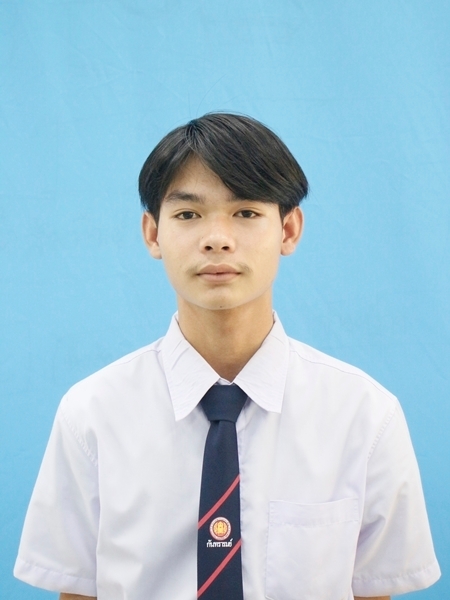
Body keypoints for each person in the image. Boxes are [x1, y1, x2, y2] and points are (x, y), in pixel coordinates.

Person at [14, 113, 440, 600]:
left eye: (246, 212)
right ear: (152, 233)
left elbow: (373, 590)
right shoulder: (91, 415)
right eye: (188, 214)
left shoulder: (365, 416)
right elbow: (76, 591)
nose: (217, 238)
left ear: (289, 229)